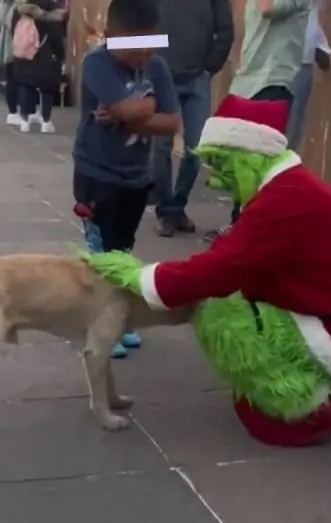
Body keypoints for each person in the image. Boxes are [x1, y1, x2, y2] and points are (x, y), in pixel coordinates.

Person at [83, 94, 331, 448]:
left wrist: (141, 277)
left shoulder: (286, 198)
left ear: (248, 156)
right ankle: (303, 383)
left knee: (217, 311)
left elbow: (221, 269)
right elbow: (239, 254)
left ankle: (298, 412)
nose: (215, 180)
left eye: (221, 164)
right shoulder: (290, 185)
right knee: (230, 294)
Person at [72, 0, 180, 358]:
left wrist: (131, 113)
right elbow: (126, 108)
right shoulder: (97, 63)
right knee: (101, 254)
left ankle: (119, 317)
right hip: (96, 174)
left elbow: (172, 122)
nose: (145, 53)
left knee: (122, 252)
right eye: (135, 44)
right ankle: (99, 323)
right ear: (112, 35)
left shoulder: (157, 66)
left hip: (135, 177)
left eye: (150, 42)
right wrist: (147, 106)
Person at [203, 0, 310, 242]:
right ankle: (239, 225)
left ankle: (251, 231)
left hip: (274, 80)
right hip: (248, 80)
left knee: (259, 161)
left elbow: (267, 8)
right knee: (242, 158)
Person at [153, 0, 234, 237]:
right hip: (163, 75)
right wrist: (151, 62)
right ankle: (166, 211)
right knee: (160, 148)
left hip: (197, 77)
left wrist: (210, 66)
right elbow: (136, 21)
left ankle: (177, 206)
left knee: (196, 150)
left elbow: (226, 29)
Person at [10, 0, 65, 133]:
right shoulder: (52, 10)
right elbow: (56, 37)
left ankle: (25, 121)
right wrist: (60, 56)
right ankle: (45, 122)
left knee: (25, 85)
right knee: (47, 89)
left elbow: (13, 31)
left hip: (24, 54)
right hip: (46, 54)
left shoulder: (19, 9)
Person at [285, 1, 330, 151]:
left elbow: (312, 17)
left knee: (295, 124)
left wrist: (319, 46)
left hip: (304, 60)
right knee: (285, 123)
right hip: (285, 61)